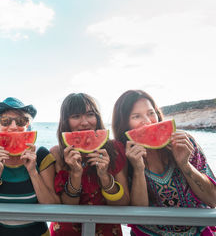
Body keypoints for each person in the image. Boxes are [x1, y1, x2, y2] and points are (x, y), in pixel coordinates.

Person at [112, 89, 216, 235]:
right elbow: (139, 213)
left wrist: (185, 165)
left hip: (197, 231)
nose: (148, 122)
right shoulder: (123, 155)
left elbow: (213, 199)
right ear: (124, 124)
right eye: (136, 116)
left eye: (151, 113)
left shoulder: (184, 142)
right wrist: (138, 169)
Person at [0, 97, 60, 236]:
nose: (13, 126)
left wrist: (33, 172)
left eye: (21, 121)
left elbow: (53, 206)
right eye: (6, 121)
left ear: (28, 125)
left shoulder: (42, 155)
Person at [50, 93, 130, 236]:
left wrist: (104, 176)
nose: (85, 122)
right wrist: (75, 174)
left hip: (108, 232)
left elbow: (122, 203)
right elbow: (68, 207)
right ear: (65, 121)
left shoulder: (115, 149)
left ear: (97, 118)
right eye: (76, 116)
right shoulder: (57, 154)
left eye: (90, 114)